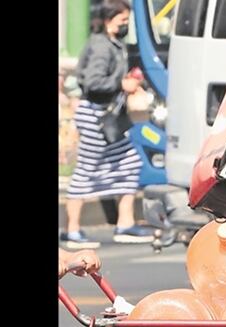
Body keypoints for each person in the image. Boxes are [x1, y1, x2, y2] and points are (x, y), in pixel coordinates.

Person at [60, 0, 153, 249]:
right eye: (122, 20)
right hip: (98, 118)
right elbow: (93, 82)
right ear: (110, 19)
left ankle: (125, 223)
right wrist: (121, 84)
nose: (125, 25)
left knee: (129, 164)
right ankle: (72, 230)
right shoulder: (102, 47)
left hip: (108, 118)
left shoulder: (110, 43)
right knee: (86, 170)